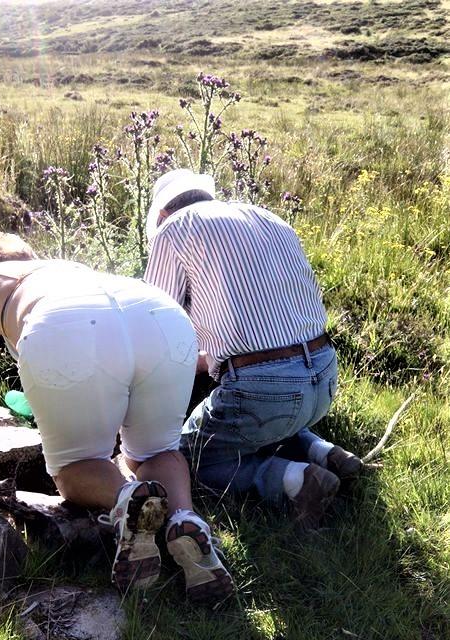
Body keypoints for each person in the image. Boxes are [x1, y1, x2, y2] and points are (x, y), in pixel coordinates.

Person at [0, 231, 233, 605]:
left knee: (75, 466)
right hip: (160, 314)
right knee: (157, 451)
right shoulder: (65, 267)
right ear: (29, 255)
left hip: (67, 323)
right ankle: (184, 520)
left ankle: (128, 500)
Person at [144, 169, 363, 529]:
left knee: (187, 459)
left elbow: (155, 324)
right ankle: (323, 451)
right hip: (324, 375)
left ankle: (294, 479)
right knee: (262, 418)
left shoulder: (174, 229)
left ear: (162, 215)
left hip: (264, 390)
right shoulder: (269, 218)